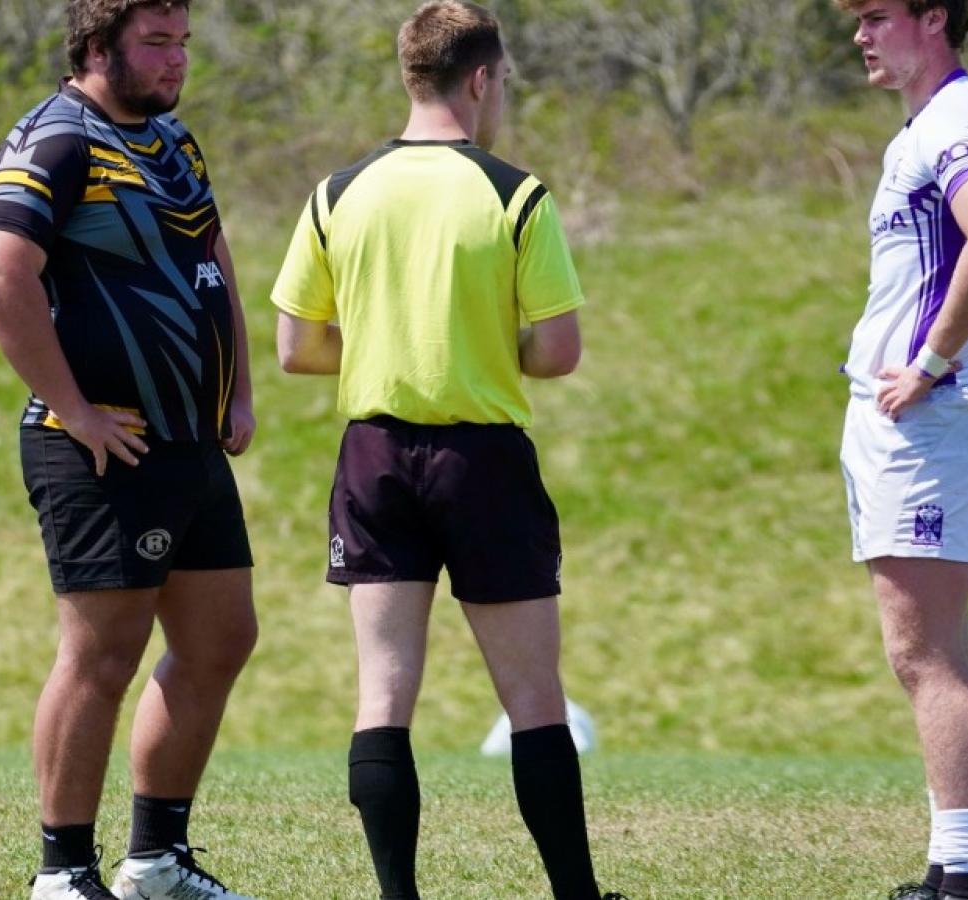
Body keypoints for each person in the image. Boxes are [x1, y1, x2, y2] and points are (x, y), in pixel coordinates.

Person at [270, 3, 626, 899]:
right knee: (534, 698)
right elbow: (558, 351)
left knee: (382, 697)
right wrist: (467, 344)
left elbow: (295, 346)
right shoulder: (516, 194)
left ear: (408, 78)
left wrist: (392, 342)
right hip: (483, 466)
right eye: (501, 82)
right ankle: (576, 898)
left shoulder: (337, 193)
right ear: (480, 79)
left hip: (374, 459)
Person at [0, 1, 258, 897]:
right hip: (103, 450)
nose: (177, 62)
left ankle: (157, 862)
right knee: (102, 655)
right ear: (97, 49)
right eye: (156, 44)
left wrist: (238, 386)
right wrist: (75, 410)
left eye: (182, 44)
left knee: (221, 639)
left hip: (187, 444)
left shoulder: (175, 143)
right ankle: (61, 874)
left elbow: (211, 254)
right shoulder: (57, 140)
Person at [832, 2, 968, 899]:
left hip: (931, 418)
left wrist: (929, 362)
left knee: (926, 653)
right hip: (911, 422)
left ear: (934, 16)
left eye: (877, 15)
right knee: (932, 647)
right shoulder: (926, 126)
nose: (861, 35)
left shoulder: (953, 118)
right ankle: (953, 866)